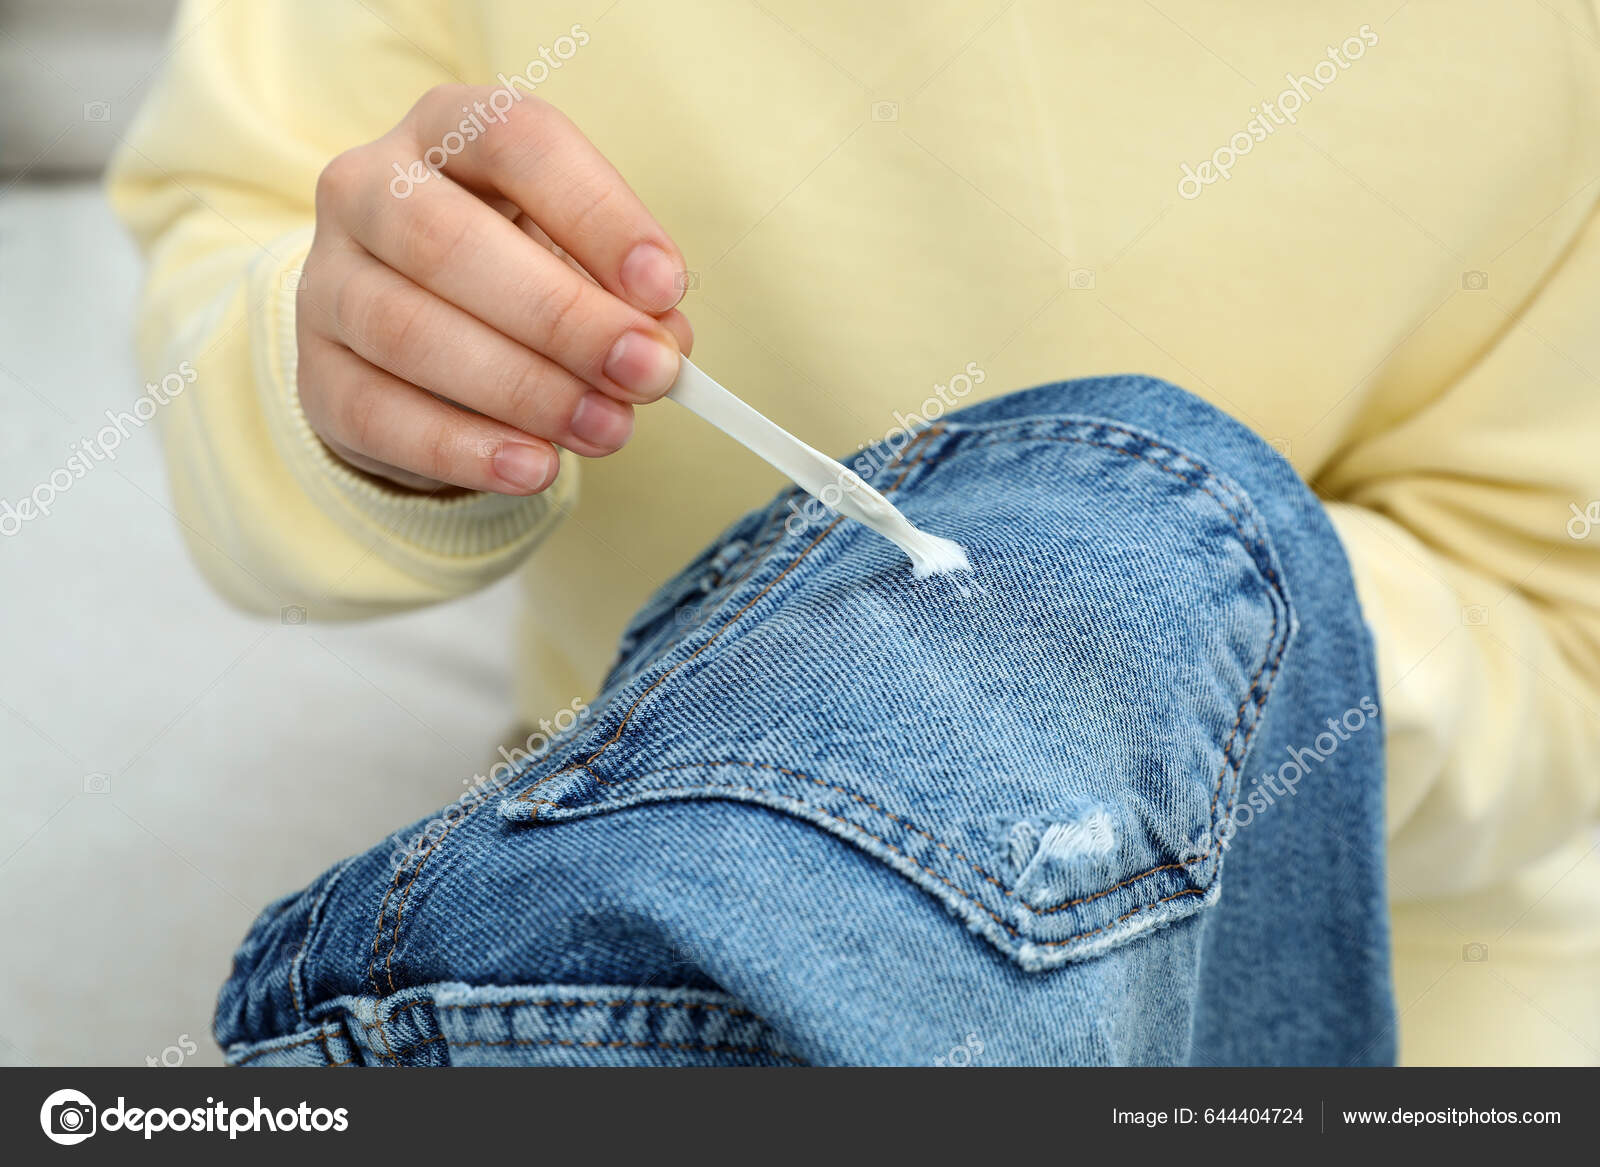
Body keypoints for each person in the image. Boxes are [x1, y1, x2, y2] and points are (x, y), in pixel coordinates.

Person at [109, 2, 1600, 1064]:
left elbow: (1554, 624)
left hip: (1365, 921)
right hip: (639, 881)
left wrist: (1149, 622)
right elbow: (244, 225)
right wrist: (377, 386)